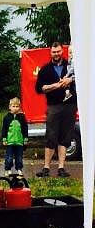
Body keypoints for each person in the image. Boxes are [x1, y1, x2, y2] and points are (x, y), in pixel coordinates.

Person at [34, 41, 76, 178]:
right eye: (54, 52)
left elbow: (81, 79)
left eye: (58, 51)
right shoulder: (45, 69)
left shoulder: (70, 66)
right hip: (53, 107)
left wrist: (70, 80)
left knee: (65, 138)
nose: (56, 54)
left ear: (62, 51)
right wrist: (57, 85)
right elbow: (40, 88)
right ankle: (46, 168)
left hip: (69, 106)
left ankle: (61, 168)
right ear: (50, 52)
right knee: (51, 136)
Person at [1, 97, 28, 176]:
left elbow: (25, 128)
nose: (15, 108)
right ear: (10, 107)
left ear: (19, 107)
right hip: (9, 142)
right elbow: (4, 129)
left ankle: (19, 169)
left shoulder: (22, 117)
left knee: (19, 157)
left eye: (17, 106)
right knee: (9, 157)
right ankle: (7, 169)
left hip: (19, 141)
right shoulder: (6, 117)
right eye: (13, 106)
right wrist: (4, 138)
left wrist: (25, 138)